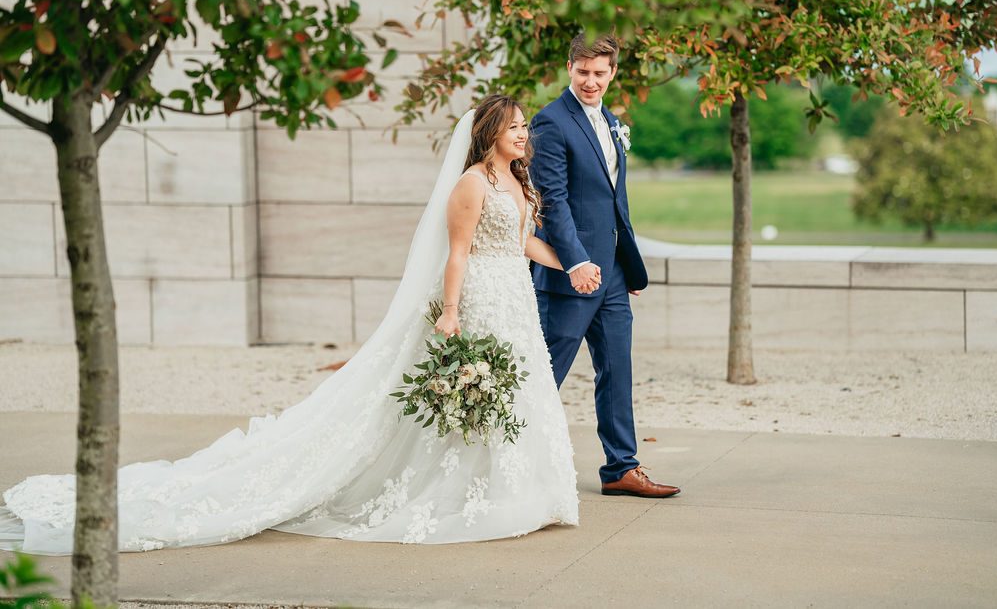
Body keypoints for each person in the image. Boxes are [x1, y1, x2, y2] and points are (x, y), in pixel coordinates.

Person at [0, 96, 583, 555]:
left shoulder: (518, 182)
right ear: (488, 134)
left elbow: (524, 242)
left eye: (525, 127)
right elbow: (457, 254)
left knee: (519, 391)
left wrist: (574, 266)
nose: (523, 133)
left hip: (515, 300)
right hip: (479, 296)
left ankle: (522, 491)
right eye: (513, 126)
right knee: (471, 393)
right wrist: (451, 312)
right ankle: (463, 492)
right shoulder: (471, 185)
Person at [530, 32, 680, 498]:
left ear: (613, 73)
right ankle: (505, 457)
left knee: (617, 369)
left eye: (599, 73)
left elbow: (615, 201)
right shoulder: (550, 122)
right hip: (568, 275)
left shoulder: (612, 121)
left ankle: (621, 468)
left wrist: (627, 267)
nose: (590, 81)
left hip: (613, 274)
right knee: (544, 373)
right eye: (582, 72)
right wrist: (574, 263)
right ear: (569, 68)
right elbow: (552, 203)